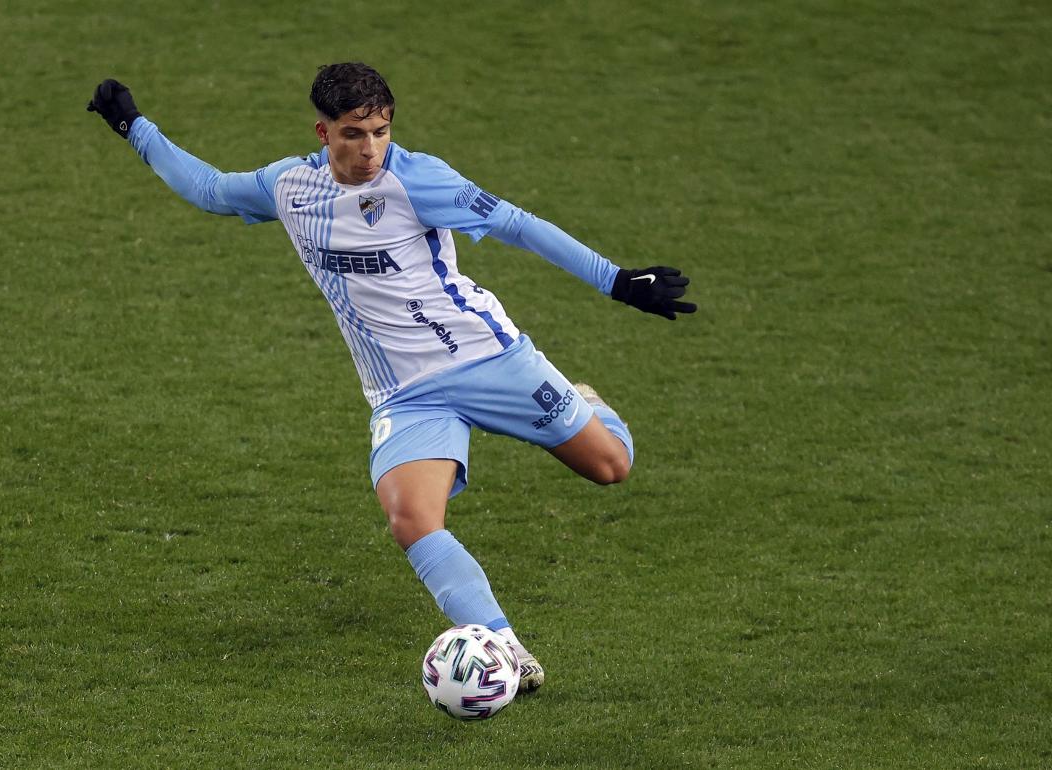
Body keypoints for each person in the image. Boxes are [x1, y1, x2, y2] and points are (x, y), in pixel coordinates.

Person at [87, 62, 695, 695]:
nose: (370, 148)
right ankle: (504, 650)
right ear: (323, 132)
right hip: (406, 395)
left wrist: (619, 280)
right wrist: (134, 127)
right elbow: (210, 189)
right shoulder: (290, 187)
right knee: (411, 519)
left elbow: (516, 225)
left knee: (610, 466)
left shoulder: (418, 179)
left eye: (380, 130)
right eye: (354, 133)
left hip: (488, 358)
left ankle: (586, 403)